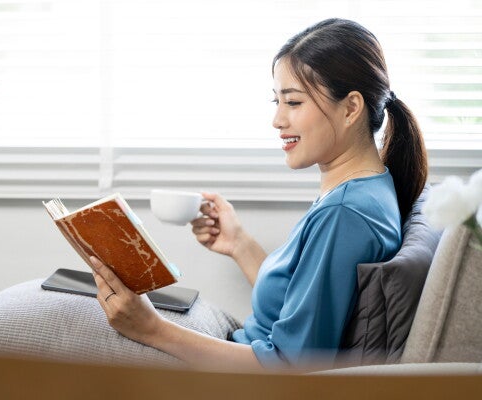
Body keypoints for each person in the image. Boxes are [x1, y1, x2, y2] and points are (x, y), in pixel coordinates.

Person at [89, 18, 427, 371]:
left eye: (293, 102)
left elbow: (289, 367)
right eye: (276, 101)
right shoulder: (364, 192)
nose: (277, 120)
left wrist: (152, 329)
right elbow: (297, 302)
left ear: (351, 108)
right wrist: (239, 244)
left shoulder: (345, 214)